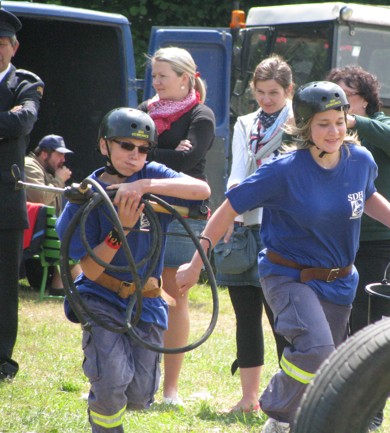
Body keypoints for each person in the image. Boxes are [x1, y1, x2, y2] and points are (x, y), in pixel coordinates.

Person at [175, 81, 390, 432]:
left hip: (340, 281)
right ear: (305, 127)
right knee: (317, 350)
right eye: (323, 124)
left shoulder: (361, 161)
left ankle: (301, 421)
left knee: (326, 365)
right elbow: (229, 207)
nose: (334, 131)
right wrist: (196, 262)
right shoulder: (284, 170)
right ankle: (277, 414)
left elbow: (367, 197)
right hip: (287, 276)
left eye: (339, 121)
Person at [55, 107, 210, 433]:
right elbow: (89, 272)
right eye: (126, 146)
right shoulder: (87, 194)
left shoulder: (153, 174)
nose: (135, 155)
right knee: (112, 383)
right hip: (101, 296)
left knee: (139, 395)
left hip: (147, 299)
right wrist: (120, 231)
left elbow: (202, 191)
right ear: (104, 146)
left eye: (142, 148)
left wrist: (143, 186)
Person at [326, 64, 390, 431]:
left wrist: (352, 123)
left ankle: (372, 414)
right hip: (339, 241)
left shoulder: (385, 125)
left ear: (366, 99)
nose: (339, 109)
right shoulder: (330, 136)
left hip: (377, 244)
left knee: (369, 329)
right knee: (333, 326)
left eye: (345, 100)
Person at [138, 46, 215, 405]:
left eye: (162, 76)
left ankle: (170, 390)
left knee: (174, 296)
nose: (155, 83)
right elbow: (126, 155)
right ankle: (140, 381)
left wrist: (146, 154)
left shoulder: (202, 115)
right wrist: (168, 155)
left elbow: (191, 158)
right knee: (140, 290)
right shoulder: (143, 113)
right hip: (142, 212)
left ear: (185, 78)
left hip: (185, 216)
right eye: (154, 76)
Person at [217, 55, 292, 413]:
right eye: (260, 92)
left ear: (288, 91)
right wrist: (230, 211)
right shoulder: (245, 123)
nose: (266, 99)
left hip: (281, 225)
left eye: (274, 93)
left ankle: (287, 399)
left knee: (281, 318)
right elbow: (236, 171)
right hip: (246, 223)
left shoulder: (298, 120)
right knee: (245, 315)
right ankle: (249, 399)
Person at [0, 8, 44, 381]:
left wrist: (8, 121)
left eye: (1, 44)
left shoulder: (25, 84)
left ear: (14, 47)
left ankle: (2, 361)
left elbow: (21, 120)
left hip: (4, 201)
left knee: (3, 288)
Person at [24, 134, 81, 295]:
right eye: (59, 154)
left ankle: (64, 284)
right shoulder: (30, 165)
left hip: (47, 237)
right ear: (44, 154)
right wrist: (59, 180)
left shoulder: (44, 170)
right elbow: (40, 197)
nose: (63, 159)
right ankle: (70, 287)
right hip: (38, 236)